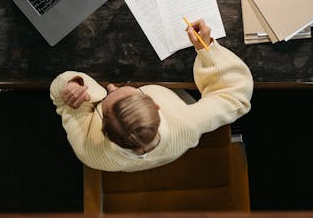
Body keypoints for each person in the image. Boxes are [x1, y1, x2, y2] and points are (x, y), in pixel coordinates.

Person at [49, 19, 253, 172]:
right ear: (155, 105)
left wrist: (72, 85)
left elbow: (60, 99)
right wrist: (206, 48)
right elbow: (235, 95)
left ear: (103, 128)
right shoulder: (186, 122)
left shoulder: (89, 152)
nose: (111, 86)